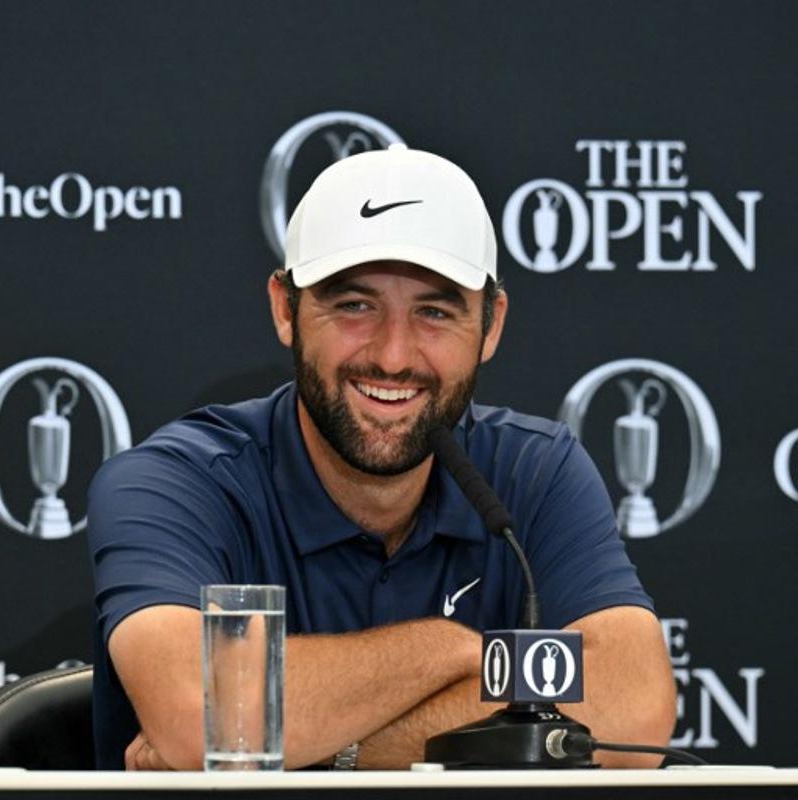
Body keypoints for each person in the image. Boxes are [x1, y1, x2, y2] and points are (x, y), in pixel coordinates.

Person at [86, 144, 676, 770]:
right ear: (286, 309)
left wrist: (304, 747)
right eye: (354, 306)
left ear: (491, 325)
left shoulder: (536, 472)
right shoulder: (173, 483)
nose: (394, 356)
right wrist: (454, 651)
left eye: (435, 311)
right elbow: (197, 714)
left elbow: (632, 710)